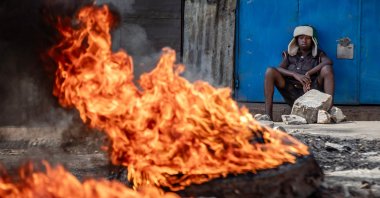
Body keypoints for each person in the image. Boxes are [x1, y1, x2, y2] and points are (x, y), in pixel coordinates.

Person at [264, 25, 334, 120]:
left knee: (327, 69)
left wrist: (308, 73)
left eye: (308, 38)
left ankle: (329, 113)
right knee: (270, 71)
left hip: (311, 92)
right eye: (301, 38)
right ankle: (268, 116)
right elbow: (278, 69)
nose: (304, 41)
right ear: (296, 40)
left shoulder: (318, 54)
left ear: (312, 40)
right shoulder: (289, 55)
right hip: (291, 92)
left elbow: (328, 62)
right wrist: (295, 74)